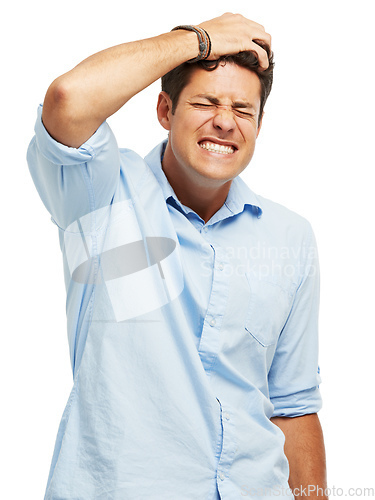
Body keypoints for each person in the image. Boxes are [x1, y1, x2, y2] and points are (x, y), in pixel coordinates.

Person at [27, 12, 327, 500]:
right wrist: (196, 41)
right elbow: (68, 98)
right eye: (206, 101)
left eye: (243, 109)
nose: (225, 121)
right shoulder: (102, 197)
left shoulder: (290, 237)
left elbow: (293, 405)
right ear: (165, 110)